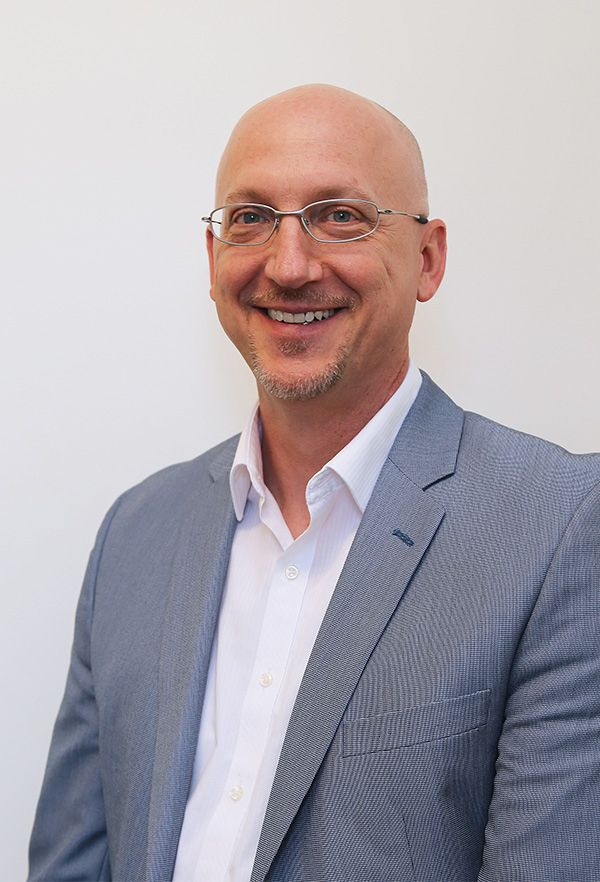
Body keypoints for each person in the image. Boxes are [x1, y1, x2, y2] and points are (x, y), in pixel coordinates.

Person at [29, 84, 600, 882]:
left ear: (428, 259)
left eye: (340, 216)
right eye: (251, 219)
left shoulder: (560, 529)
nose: (288, 266)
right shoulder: (135, 534)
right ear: (213, 257)